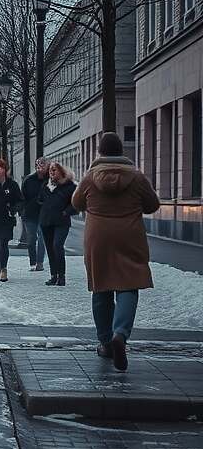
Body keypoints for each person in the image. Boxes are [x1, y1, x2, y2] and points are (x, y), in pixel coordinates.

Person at [72, 132, 159, 372]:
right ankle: (120, 334)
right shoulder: (137, 177)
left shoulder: (90, 177)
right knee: (128, 286)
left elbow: (76, 203)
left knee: (101, 287)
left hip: (98, 238)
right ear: (122, 151)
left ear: (99, 152)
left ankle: (105, 342)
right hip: (129, 236)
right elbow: (152, 205)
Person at [39, 162, 77, 286]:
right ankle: (53, 275)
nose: (51, 172)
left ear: (61, 172)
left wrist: (66, 212)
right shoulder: (45, 185)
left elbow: (75, 203)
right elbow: (40, 199)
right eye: (50, 170)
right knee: (50, 248)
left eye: (54, 170)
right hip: (46, 221)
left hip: (61, 221)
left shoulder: (69, 186)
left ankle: (62, 276)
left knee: (57, 246)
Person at [21, 157, 49, 271]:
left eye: (43, 166)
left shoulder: (51, 180)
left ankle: (40, 262)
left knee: (43, 240)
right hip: (30, 215)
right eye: (38, 166)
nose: (40, 168)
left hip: (45, 215)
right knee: (31, 240)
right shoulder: (28, 180)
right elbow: (22, 197)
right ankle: (33, 262)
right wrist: (22, 211)